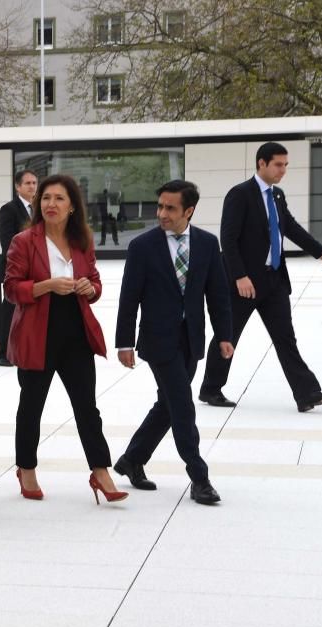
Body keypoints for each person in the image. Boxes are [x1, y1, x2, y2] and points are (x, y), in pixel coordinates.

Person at [3, 174, 126, 504]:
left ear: (72, 206)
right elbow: (12, 289)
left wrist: (90, 287)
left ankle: (100, 471)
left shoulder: (82, 240)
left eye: (58, 199)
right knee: (31, 407)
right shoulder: (24, 241)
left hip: (76, 334)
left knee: (87, 407)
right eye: (45, 198)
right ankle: (26, 468)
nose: (50, 204)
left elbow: (96, 283)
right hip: (37, 333)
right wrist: (46, 286)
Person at [114, 180, 233, 505]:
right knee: (182, 404)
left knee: (167, 405)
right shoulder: (143, 246)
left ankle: (132, 460)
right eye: (160, 206)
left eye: (170, 208)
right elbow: (129, 298)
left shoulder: (208, 244)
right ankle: (199, 478)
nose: (162, 213)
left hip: (191, 339)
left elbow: (218, 294)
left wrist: (225, 335)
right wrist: (124, 341)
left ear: (189, 210)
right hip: (157, 340)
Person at [199, 142, 322, 412]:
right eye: (278, 164)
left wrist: (319, 251)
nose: (283, 170)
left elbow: (291, 228)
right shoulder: (239, 195)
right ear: (261, 163)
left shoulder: (277, 196)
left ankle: (307, 394)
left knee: (285, 338)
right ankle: (211, 389)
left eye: (286, 165)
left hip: (274, 280)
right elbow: (227, 239)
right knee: (227, 335)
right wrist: (239, 276)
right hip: (244, 283)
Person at [0, 169, 37, 367]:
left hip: (38, 268)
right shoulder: (9, 209)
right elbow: (7, 242)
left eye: (34, 183)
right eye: (28, 183)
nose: (32, 186)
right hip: (15, 267)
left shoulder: (41, 208)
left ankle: (26, 347)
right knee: (10, 308)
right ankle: (3, 352)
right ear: (17, 186)